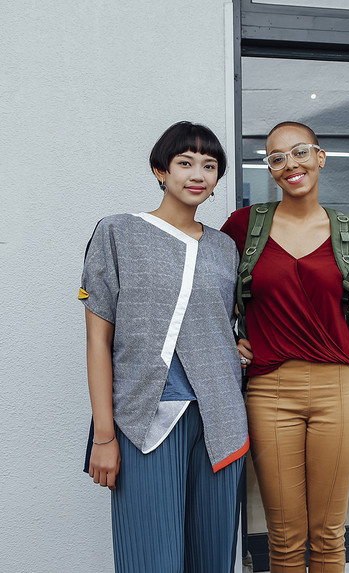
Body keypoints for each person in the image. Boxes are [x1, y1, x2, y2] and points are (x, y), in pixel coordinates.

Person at [81, 121, 250, 572]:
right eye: (185, 162)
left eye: (210, 165)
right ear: (161, 170)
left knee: (213, 558)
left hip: (220, 420)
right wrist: (104, 436)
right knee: (151, 558)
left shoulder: (224, 249)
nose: (198, 173)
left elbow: (221, 323)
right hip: (145, 421)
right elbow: (98, 340)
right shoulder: (117, 232)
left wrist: (240, 345)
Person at [221, 121, 349, 573]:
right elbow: (208, 289)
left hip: (339, 389)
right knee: (286, 538)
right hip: (269, 392)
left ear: (320, 157)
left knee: (329, 535)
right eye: (276, 157)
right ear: (270, 169)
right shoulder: (243, 227)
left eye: (299, 152)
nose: (289, 164)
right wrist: (229, 338)